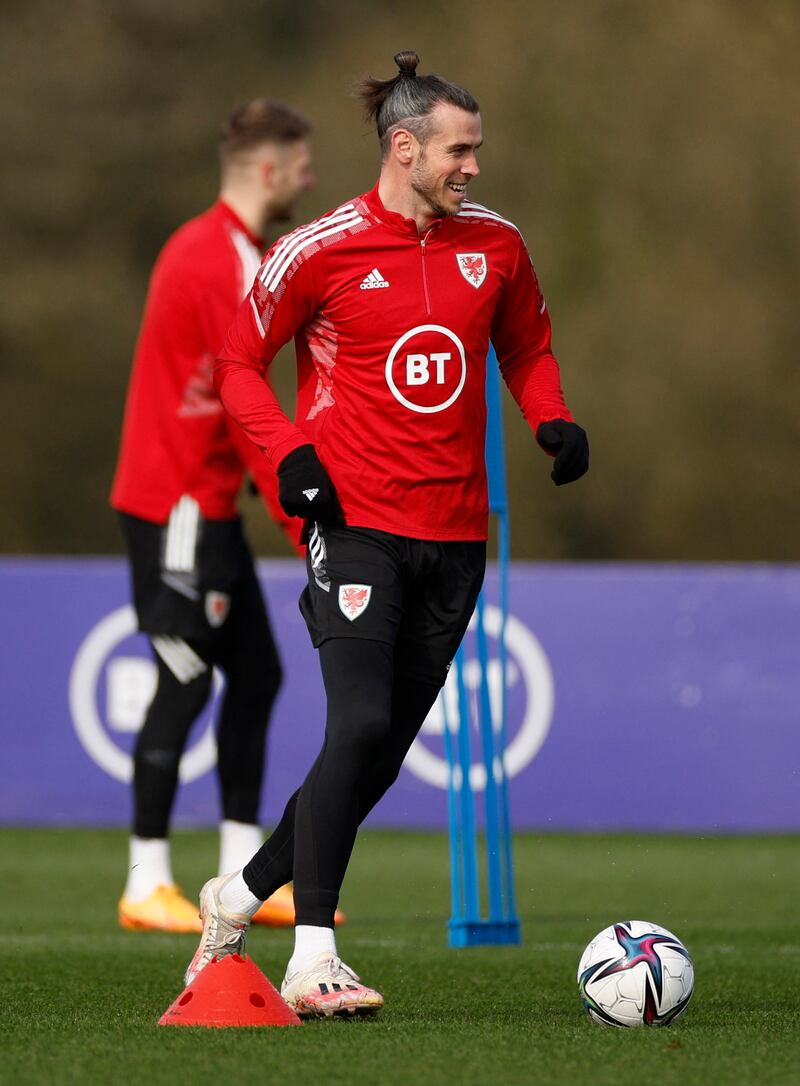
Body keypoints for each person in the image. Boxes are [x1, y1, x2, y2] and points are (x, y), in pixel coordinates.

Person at [183, 52, 589, 1015]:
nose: (473, 168)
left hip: (457, 538)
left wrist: (552, 418)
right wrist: (288, 453)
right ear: (403, 149)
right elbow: (240, 361)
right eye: (459, 151)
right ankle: (312, 957)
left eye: (476, 152)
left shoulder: (497, 245)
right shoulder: (319, 250)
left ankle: (233, 897)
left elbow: (527, 346)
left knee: (373, 754)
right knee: (356, 725)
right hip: (351, 521)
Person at [111, 99, 328, 933]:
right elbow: (245, 413)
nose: (311, 179)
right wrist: (300, 519)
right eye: (302, 165)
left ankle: (245, 877)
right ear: (267, 170)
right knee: (185, 675)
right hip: (176, 508)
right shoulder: (213, 259)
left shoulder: (237, 250)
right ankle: (144, 883)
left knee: (259, 675)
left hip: (208, 508)